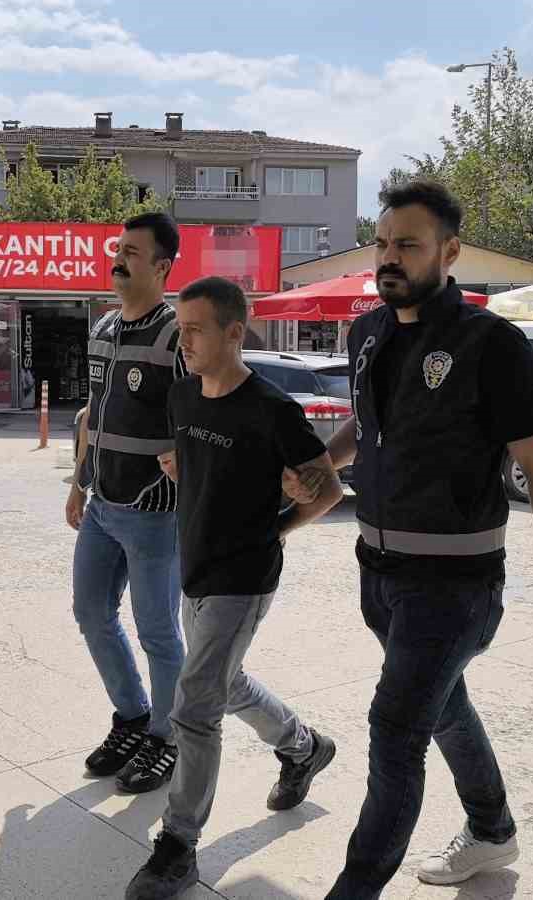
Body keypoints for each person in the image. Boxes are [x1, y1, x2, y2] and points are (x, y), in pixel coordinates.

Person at [293, 180, 533, 898]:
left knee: (396, 727)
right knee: (444, 706)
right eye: (382, 243)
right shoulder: (366, 333)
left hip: (455, 587)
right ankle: (492, 831)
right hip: (377, 575)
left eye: (408, 245)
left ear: (450, 252)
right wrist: (321, 461)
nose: (389, 257)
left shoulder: (492, 344)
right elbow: (367, 427)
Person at [126, 277, 344, 900]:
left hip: (243, 577)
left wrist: (278, 526)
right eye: (180, 328)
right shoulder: (182, 397)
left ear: (234, 332)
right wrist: (181, 466)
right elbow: (197, 465)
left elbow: (326, 489)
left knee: (195, 703)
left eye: (195, 329)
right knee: (225, 684)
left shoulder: (274, 409)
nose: (184, 340)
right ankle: (304, 747)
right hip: (192, 567)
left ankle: (178, 846)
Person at [67, 212, 188, 794]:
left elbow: (206, 409)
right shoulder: (103, 330)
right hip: (101, 505)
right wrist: (76, 480)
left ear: (163, 266)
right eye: (118, 249)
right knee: (91, 613)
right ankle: (133, 717)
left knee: (159, 633)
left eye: (133, 252)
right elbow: (92, 413)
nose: (119, 260)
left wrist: (188, 457)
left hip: (156, 513)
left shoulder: (176, 335)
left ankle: (168, 738)